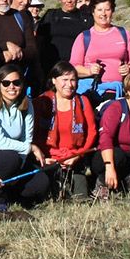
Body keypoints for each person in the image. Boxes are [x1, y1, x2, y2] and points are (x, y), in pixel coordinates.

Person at [0, 64, 51, 209]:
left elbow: (26, 138)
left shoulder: (27, 105)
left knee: (42, 182)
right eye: (6, 83)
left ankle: (9, 191)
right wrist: (30, 148)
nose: (11, 87)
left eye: (16, 82)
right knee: (10, 159)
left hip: (15, 156)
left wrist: (20, 164)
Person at [32, 63, 96, 199]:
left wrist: (78, 155)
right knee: (49, 195)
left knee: (81, 196)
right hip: (49, 159)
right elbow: (33, 132)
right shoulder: (41, 102)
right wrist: (44, 156)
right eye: (64, 80)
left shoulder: (83, 101)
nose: (69, 84)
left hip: (74, 157)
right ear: (54, 81)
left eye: (73, 80)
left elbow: (92, 132)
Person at [70, 0, 130, 101]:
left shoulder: (123, 33)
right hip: (92, 94)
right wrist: (89, 71)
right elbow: (73, 68)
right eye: (99, 10)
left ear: (112, 11)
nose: (104, 14)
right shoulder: (83, 37)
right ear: (93, 12)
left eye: (107, 10)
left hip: (120, 92)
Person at [37, 0, 91, 74]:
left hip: (76, 70)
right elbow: (39, 40)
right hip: (50, 68)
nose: (69, 0)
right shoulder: (51, 15)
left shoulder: (86, 18)